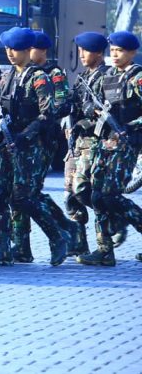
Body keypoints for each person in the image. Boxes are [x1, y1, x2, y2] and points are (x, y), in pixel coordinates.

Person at [0, 27, 69, 266]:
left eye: (16, 49)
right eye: (8, 49)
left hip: (30, 146)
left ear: (28, 50)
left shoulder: (39, 77)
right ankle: (3, 248)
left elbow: (48, 113)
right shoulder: (7, 76)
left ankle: (58, 235)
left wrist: (25, 135)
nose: (10, 53)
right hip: (6, 144)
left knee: (23, 198)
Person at [78, 31, 142, 265]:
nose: (115, 55)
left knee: (110, 196)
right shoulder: (108, 76)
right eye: (112, 50)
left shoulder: (137, 78)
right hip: (105, 141)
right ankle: (104, 250)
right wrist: (91, 111)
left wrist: (130, 125)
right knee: (96, 195)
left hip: (126, 143)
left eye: (120, 51)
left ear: (132, 52)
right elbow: (90, 100)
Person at [20, 31, 82, 259]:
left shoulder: (53, 73)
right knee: (24, 193)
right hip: (24, 139)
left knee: (30, 192)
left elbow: (62, 103)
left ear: (42, 50)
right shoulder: (22, 73)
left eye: (31, 48)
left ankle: (65, 230)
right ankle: (22, 246)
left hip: (44, 138)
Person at [65, 32, 112, 259]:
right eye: (80, 50)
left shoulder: (108, 77)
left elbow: (111, 113)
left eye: (86, 50)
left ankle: (106, 245)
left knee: (86, 192)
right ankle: (79, 244)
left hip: (96, 142)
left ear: (98, 53)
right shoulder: (82, 77)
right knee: (71, 196)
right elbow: (72, 105)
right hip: (77, 142)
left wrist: (86, 121)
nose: (81, 54)